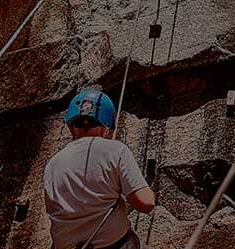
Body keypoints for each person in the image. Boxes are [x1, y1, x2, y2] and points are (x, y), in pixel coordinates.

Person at [43, 89, 156, 249]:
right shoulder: (115, 150)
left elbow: (56, 212)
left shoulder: (52, 164)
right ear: (107, 127)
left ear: (70, 126)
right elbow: (146, 203)